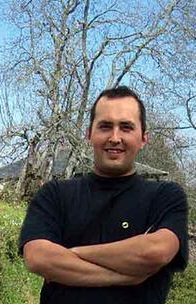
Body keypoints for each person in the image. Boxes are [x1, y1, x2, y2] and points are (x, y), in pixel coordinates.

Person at [19, 86, 188, 304]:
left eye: (126, 127)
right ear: (90, 134)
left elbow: (155, 252)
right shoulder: (55, 194)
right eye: (105, 126)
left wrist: (68, 255)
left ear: (143, 138)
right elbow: (37, 257)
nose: (115, 137)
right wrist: (126, 275)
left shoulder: (164, 196)